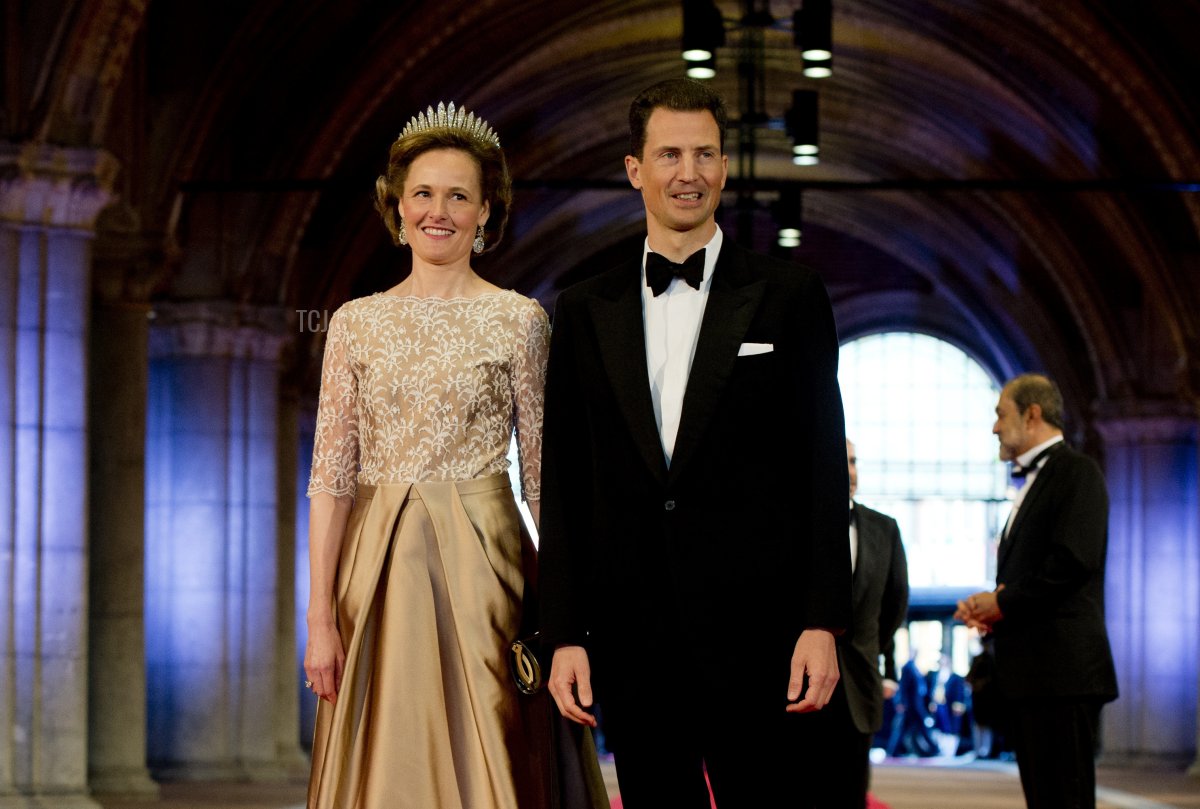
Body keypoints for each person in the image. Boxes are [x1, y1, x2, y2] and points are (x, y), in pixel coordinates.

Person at [536, 78, 851, 808]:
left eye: (705, 153)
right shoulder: (583, 310)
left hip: (763, 636)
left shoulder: (791, 295)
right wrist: (565, 633)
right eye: (670, 154)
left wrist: (822, 621)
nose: (689, 172)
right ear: (633, 169)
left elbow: (820, 468)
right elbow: (567, 482)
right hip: (632, 636)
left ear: (724, 166)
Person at [302, 101, 604, 809]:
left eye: (459, 195)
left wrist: (568, 620)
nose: (439, 211)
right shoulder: (354, 323)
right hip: (372, 570)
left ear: (485, 212)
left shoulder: (520, 318)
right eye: (424, 193)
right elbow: (332, 477)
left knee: (491, 748)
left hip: (487, 570)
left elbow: (540, 480)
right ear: (398, 206)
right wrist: (320, 617)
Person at [955, 373, 1119, 809]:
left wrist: (1002, 602)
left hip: (1063, 673)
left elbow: (1072, 562)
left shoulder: (1077, 472)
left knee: (1066, 798)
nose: (994, 427)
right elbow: (1035, 569)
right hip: (1034, 672)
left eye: (1000, 414)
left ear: (1032, 415)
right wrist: (989, 609)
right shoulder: (1031, 483)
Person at [808, 439, 909, 807]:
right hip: (805, 686)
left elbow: (894, 604)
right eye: (841, 462)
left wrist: (870, 650)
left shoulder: (885, 528)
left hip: (859, 686)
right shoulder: (798, 524)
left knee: (851, 792)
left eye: (854, 462)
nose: (850, 472)